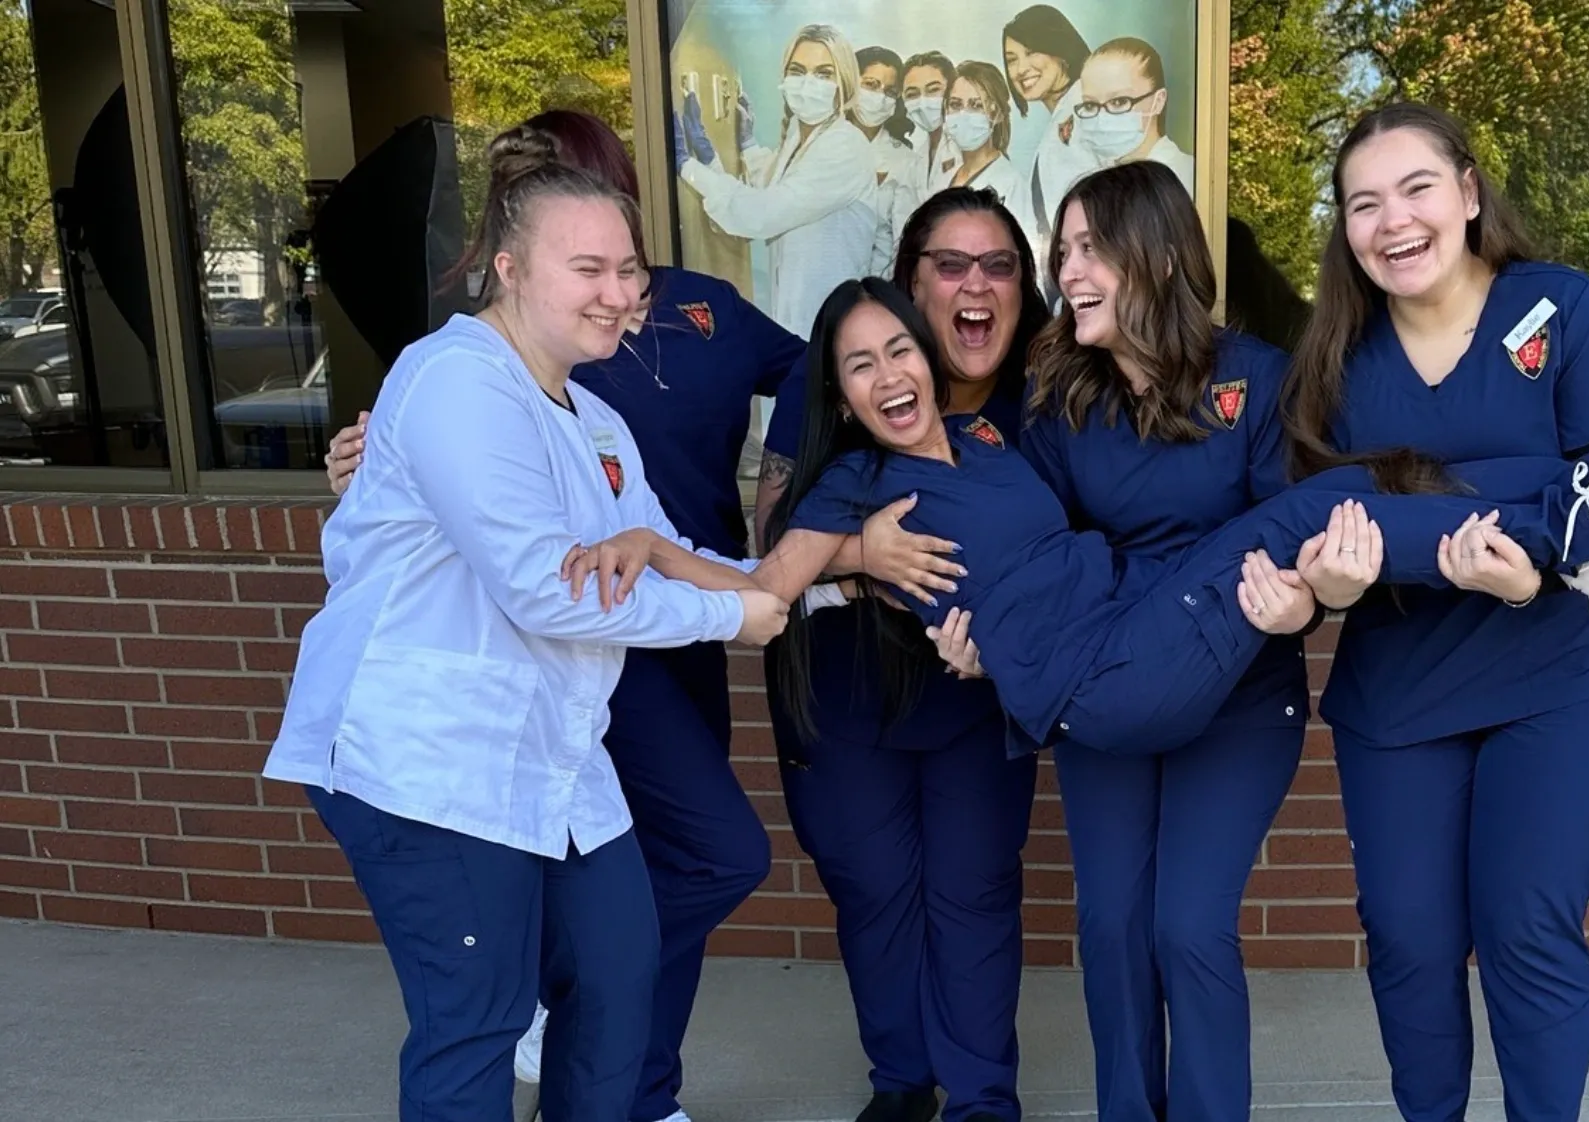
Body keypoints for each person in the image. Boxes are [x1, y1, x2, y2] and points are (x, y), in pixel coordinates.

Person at [263, 128, 788, 1122]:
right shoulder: (457, 380)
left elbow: (662, 546)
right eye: (584, 267)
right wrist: (732, 616)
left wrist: (821, 580)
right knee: (477, 1020)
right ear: (507, 269)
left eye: (627, 268)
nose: (614, 292)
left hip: (548, 756)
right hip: (430, 766)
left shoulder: (592, 418)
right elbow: (546, 589)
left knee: (617, 968)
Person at [1277, 101, 1589, 1122]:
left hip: (1567, 679)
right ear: (1344, 230)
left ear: (1466, 192)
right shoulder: (1334, 360)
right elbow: (1315, 535)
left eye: (1414, 189)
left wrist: (1532, 570)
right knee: (1406, 936)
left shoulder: (1563, 310)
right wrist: (1340, 583)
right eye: (1363, 204)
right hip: (1399, 691)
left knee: (1524, 924)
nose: (1392, 221)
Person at [734, 278, 1589, 764]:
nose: (886, 375)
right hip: (1102, 681)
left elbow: (1036, 552)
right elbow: (763, 599)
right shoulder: (850, 483)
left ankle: (1579, 514)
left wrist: (995, 639)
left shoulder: (984, 439)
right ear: (836, 384)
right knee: (1323, 508)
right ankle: (1578, 532)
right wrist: (651, 550)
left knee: (1357, 484)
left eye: (897, 349)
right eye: (858, 364)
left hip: (1125, 622)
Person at [1004, 159, 1304, 1122]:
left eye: (1092, 248)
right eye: (1062, 251)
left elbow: (1292, 539)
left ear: (1162, 255)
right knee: (1113, 924)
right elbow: (1046, 554)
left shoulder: (1257, 379)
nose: (1068, 270)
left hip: (1240, 694)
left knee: (1188, 926)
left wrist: (1304, 601)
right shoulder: (1057, 400)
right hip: (1114, 684)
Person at [748, 187, 1050, 1122]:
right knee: (876, 891)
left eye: (998, 265)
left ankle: (981, 1097)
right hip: (846, 682)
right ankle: (902, 1081)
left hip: (975, 687)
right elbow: (772, 544)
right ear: (914, 282)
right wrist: (860, 554)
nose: (975, 287)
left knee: (974, 893)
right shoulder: (835, 371)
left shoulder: (1038, 391)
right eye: (951, 266)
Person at [680, 24, 877, 337]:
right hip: (798, 321)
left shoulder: (846, 146)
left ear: (844, 83)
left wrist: (689, 168)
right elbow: (771, 189)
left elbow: (762, 214)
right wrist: (719, 157)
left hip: (831, 326)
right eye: (797, 70)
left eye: (824, 73)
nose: (808, 83)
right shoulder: (800, 138)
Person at [999, 4, 1091, 272]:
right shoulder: (1060, 119)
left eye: (1030, 52)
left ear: (1060, 49)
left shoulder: (1086, 110)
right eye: (1011, 59)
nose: (1020, 69)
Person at [1071, 40, 1192, 192]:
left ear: (1158, 101)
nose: (1102, 119)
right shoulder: (1094, 182)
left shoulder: (1186, 178)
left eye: (1119, 101)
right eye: (1090, 105)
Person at [852, 45, 919, 274]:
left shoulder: (904, 161)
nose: (879, 97)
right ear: (850, 84)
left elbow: (902, 244)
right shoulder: (823, 145)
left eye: (889, 91)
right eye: (870, 85)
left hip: (877, 288)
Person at [942, 62, 1021, 205]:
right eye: (955, 105)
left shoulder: (1010, 185)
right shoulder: (946, 173)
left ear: (998, 114)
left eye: (977, 106)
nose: (963, 114)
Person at [899, 53, 960, 202]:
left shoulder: (966, 146)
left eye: (933, 90)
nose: (922, 102)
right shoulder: (917, 159)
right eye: (912, 94)